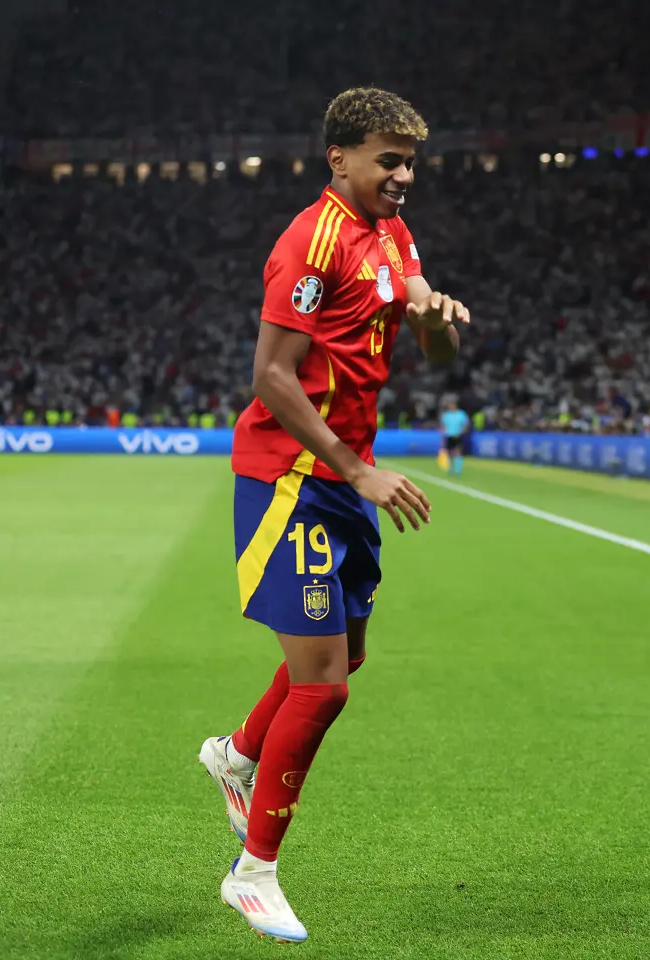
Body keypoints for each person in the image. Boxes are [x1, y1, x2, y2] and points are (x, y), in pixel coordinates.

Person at [196, 87, 468, 944]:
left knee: (347, 652)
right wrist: (358, 470)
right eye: (389, 161)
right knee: (323, 683)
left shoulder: (393, 233)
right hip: (292, 476)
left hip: (343, 476)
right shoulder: (310, 244)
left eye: (410, 163)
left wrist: (438, 319)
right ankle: (253, 873)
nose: (403, 176)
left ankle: (238, 754)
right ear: (339, 159)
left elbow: (433, 345)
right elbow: (272, 375)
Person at [439, 397, 470, 474]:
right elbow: (443, 425)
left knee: (458, 452)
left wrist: (462, 431)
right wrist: (443, 434)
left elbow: (466, 424)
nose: (451, 406)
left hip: (458, 435)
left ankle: (458, 469)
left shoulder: (461, 414)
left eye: (452, 405)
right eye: (450, 405)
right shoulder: (446, 415)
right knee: (449, 453)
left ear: (456, 405)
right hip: (449, 435)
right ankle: (450, 468)